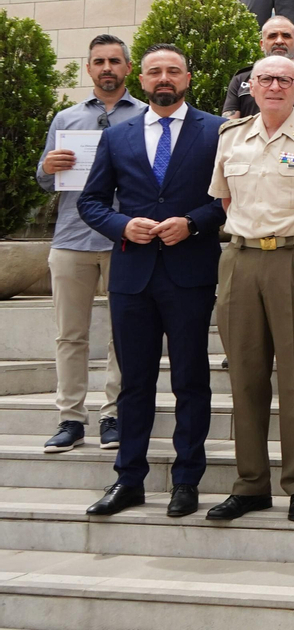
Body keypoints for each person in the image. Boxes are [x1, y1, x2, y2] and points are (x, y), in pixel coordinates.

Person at [78, 45, 226, 518]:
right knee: (134, 383)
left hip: (190, 272)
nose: (165, 78)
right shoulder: (117, 136)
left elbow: (230, 198)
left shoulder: (217, 131)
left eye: (173, 71)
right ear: (141, 80)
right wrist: (122, 226)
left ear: (187, 78)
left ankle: (187, 480)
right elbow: (92, 202)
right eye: (155, 71)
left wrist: (194, 223)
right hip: (132, 276)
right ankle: (129, 479)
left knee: (190, 379)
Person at [205, 55, 294, 523]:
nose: (275, 86)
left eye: (285, 80)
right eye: (265, 79)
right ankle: (250, 484)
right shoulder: (231, 137)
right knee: (244, 375)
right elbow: (224, 198)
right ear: (251, 86)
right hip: (240, 258)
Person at [37, 36, 142, 453]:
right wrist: (47, 168)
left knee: (125, 333)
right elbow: (45, 180)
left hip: (126, 239)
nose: (107, 68)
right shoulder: (66, 118)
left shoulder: (146, 117)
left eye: (114, 61)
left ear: (128, 68)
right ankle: (70, 418)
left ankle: (114, 414)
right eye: (99, 61)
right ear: (89, 68)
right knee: (69, 334)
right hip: (71, 239)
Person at [222, 16, 294, 121]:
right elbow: (229, 126)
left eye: (286, 36)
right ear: (262, 44)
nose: (279, 41)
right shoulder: (241, 78)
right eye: (272, 36)